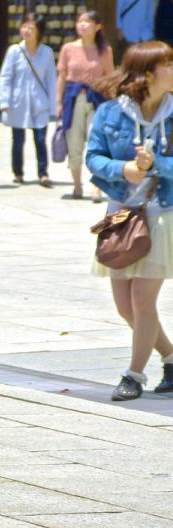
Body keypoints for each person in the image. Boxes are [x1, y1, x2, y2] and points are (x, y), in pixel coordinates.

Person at [87, 41, 173, 401]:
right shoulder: (111, 113)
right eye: (168, 63)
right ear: (148, 74)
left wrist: (157, 167)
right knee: (125, 306)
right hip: (121, 215)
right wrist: (122, 169)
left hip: (162, 215)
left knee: (142, 300)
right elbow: (93, 157)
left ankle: (133, 375)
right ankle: (170, 358)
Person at [57, 11, 114, 201]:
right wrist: (58, 103)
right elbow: (62, 77)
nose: (82, 25)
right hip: (73, 99)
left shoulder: (105, 50)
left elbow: (110, 77)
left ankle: (96, 186)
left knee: (95, 141)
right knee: (74, 142)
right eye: (79, 21)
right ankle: (76, 185)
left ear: (98, 26)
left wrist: (114, 104)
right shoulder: (68, 48)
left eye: (87, 22)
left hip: (97, 99)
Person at [0, 12, 57, 187]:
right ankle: (18, 172)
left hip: (40, 103)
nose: (27, 30)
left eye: (31, 27)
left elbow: (51, 79)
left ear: (39, 31)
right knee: (18, 140)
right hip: (19, 102)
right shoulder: (14, 51)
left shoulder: (46, 53)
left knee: (40, 139)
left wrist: (54, 106)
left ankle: (43, 173)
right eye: (24, 26)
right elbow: (5, 77)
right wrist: (4, 101)